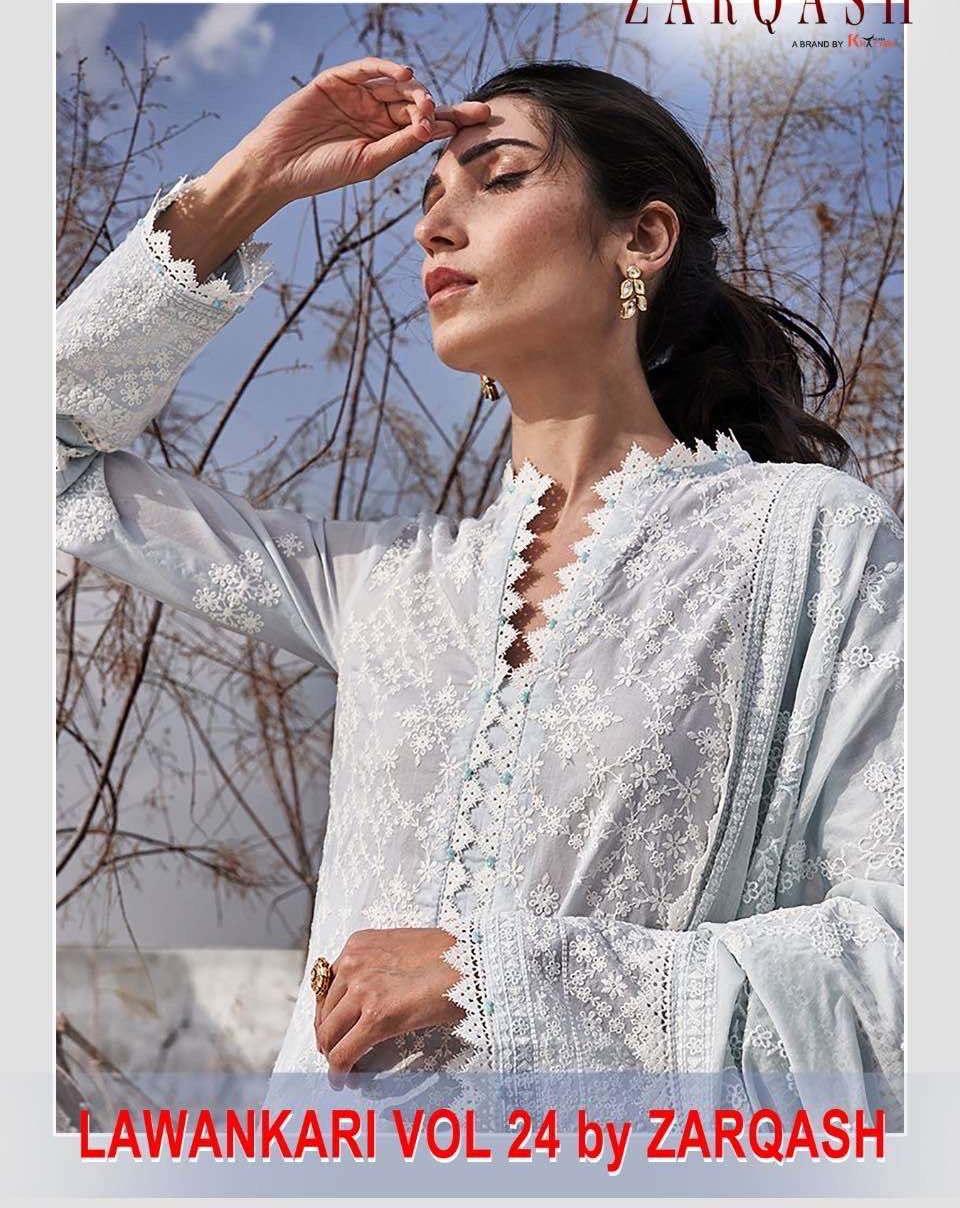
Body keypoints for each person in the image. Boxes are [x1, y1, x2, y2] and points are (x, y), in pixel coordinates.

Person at [56, 57, 903, 1125]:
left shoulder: (807, 542)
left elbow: (909, 966)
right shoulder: (384, 584)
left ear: (642, 238)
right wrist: (255, 179)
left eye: (498, 178)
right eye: (427, 195)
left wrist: (502, 978)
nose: (432, 227)